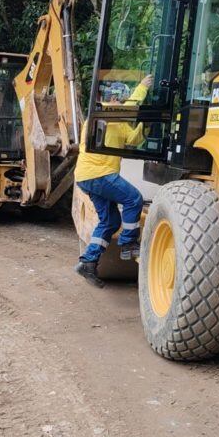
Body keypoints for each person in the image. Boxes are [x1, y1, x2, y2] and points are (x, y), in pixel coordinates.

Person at [73, 73, 153, 287]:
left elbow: (132, 140)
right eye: (121, 97)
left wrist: (146, 125)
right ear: (115, 98)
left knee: (110, 221)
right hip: (97, 174)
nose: (122, 100)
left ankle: (88, 262)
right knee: (133, 199)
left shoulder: (118, 120)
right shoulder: (101, 114)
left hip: (90, 176)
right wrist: (143, 87)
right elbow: (128, 109)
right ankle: (128, 244)